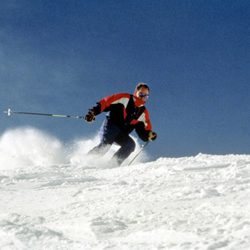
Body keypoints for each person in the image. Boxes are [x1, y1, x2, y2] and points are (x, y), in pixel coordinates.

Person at [84, 83, 157, 165]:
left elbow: (143, 129)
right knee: (105, 147)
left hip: (121, 134)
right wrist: (93, 112)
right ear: (135, 92)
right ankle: (85, 161)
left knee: (130, 145)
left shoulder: (143, 112)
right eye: (141, 94)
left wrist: (148, 135)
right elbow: (106, 102)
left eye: (146, 96)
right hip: (111, 127)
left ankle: (113, 164)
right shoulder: (125, 98)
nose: (143, 97)